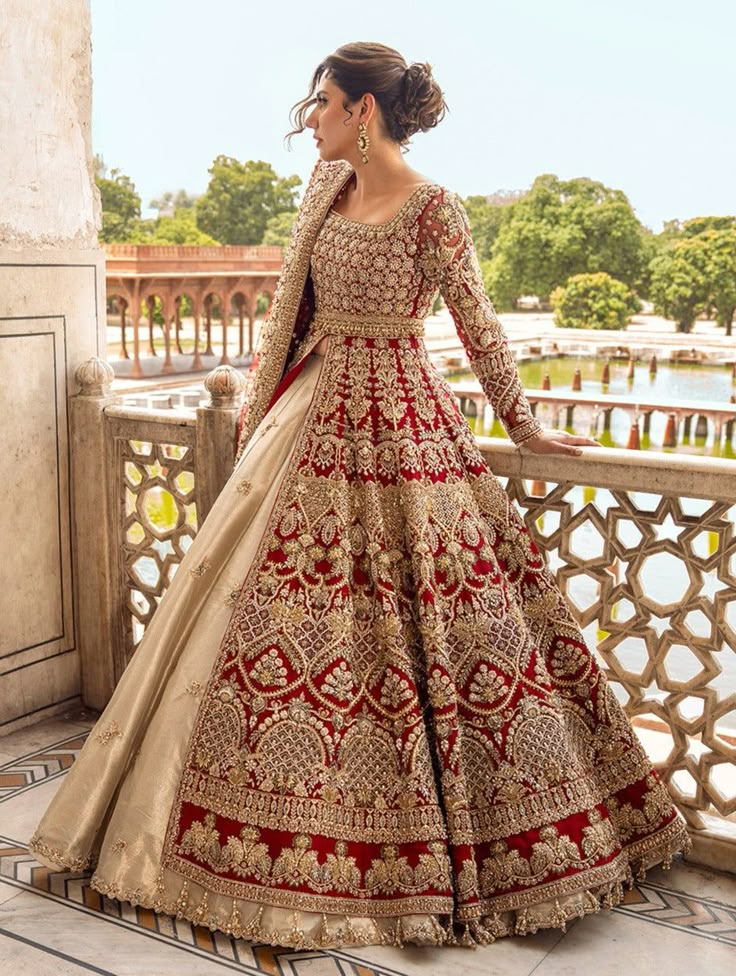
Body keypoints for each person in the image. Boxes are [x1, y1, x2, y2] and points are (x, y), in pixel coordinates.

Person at [29, 41, 690, 950]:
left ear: (364, 113)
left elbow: (479, 325)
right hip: (308, 425)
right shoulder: (320, 196)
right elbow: (284, 317)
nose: (312, 118)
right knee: (283, 627)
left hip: (409, 431)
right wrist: (255, 415)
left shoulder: (433, 209)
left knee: (435, 634)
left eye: (324, 103)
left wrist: (527, 428)